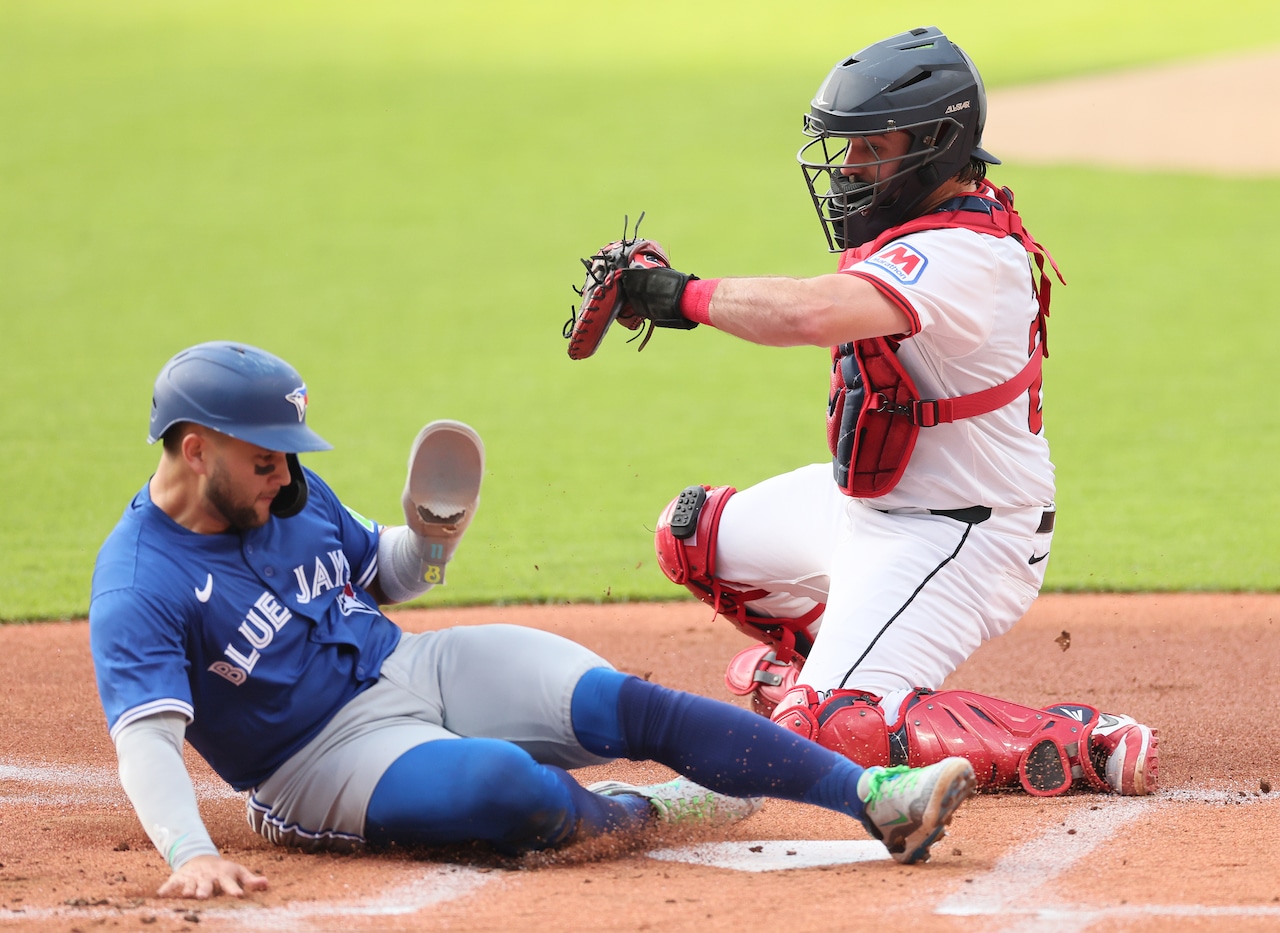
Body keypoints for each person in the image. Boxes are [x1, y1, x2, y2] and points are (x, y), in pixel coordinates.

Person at [88, 340, 978, 900]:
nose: (286, 477)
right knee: (504, 785)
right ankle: (638, 814)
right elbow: (146, 741)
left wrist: (428, 540)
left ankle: (874, 797)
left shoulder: (284, 490)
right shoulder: (140, 584)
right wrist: (191, 850)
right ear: (195, 448)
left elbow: (382, 573)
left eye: (289, 457)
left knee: (624, 703)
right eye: (264, 461)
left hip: (410, 665)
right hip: (317, 762)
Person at [596, 26, 1157, 798]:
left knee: (824, 727)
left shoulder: (966, 255)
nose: (849, 167)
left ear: (933, 146)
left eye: (872, 147)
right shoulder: (915, 225)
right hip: (866, 514)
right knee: (689, 534)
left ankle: (1075, 739)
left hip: (961, 532)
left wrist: (678, 295)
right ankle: (833, 667)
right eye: (848, 146)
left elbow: (810, 313)